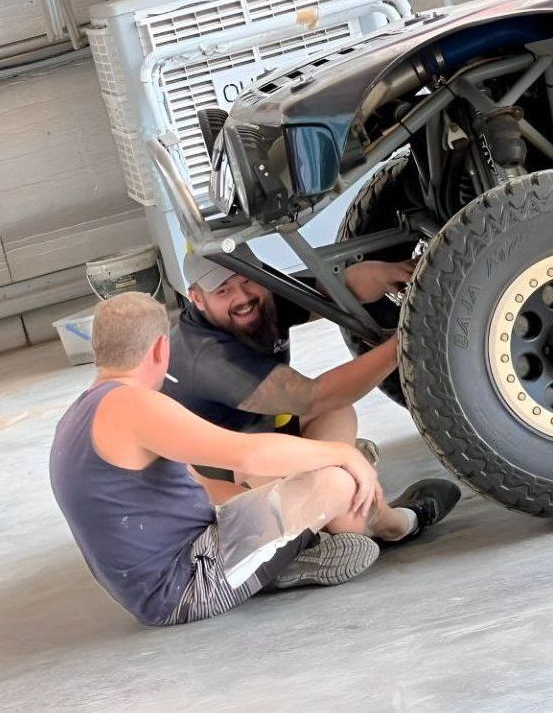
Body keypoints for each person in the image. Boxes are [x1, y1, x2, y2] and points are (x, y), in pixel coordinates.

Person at [51, 292, 390, 626]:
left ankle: (290, 551)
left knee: (284, 477)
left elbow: (203, 486)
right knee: (337, 482)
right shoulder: (133, 405)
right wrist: (341, 454)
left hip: (161, 586)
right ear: (160, 348)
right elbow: (251, 454)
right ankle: (381, 526)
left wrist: (275, 496)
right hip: (187, 585)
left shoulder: (79, 414)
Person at [163, 250, 461, 544]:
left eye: (247, 280)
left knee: (337, 412)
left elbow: (330, 289)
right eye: (223, 290)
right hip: (223, 487)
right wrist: (405, 340)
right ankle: (388, 523)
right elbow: (312, 397)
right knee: (338, 470)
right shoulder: (207, 357)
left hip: (256, 437)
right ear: (198, 298)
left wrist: (392, 272)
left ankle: (332, 508)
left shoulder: (257, 301)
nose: (242, 297)